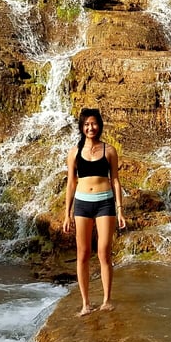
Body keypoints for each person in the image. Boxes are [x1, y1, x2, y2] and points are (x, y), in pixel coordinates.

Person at [62, 107, 126, 316]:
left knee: (104, 252)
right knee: (83, 254)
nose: (91, 127)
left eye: (94, 123)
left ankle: (107, 300)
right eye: (87, 124)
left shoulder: (109, 150)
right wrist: (67, 213)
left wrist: (120, 209)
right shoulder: (74, 152)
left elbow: (115, 180)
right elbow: (71, 184)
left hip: (105, 203)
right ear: (82, 127)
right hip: (82, 204)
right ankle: (86, 303)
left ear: (99, 125)